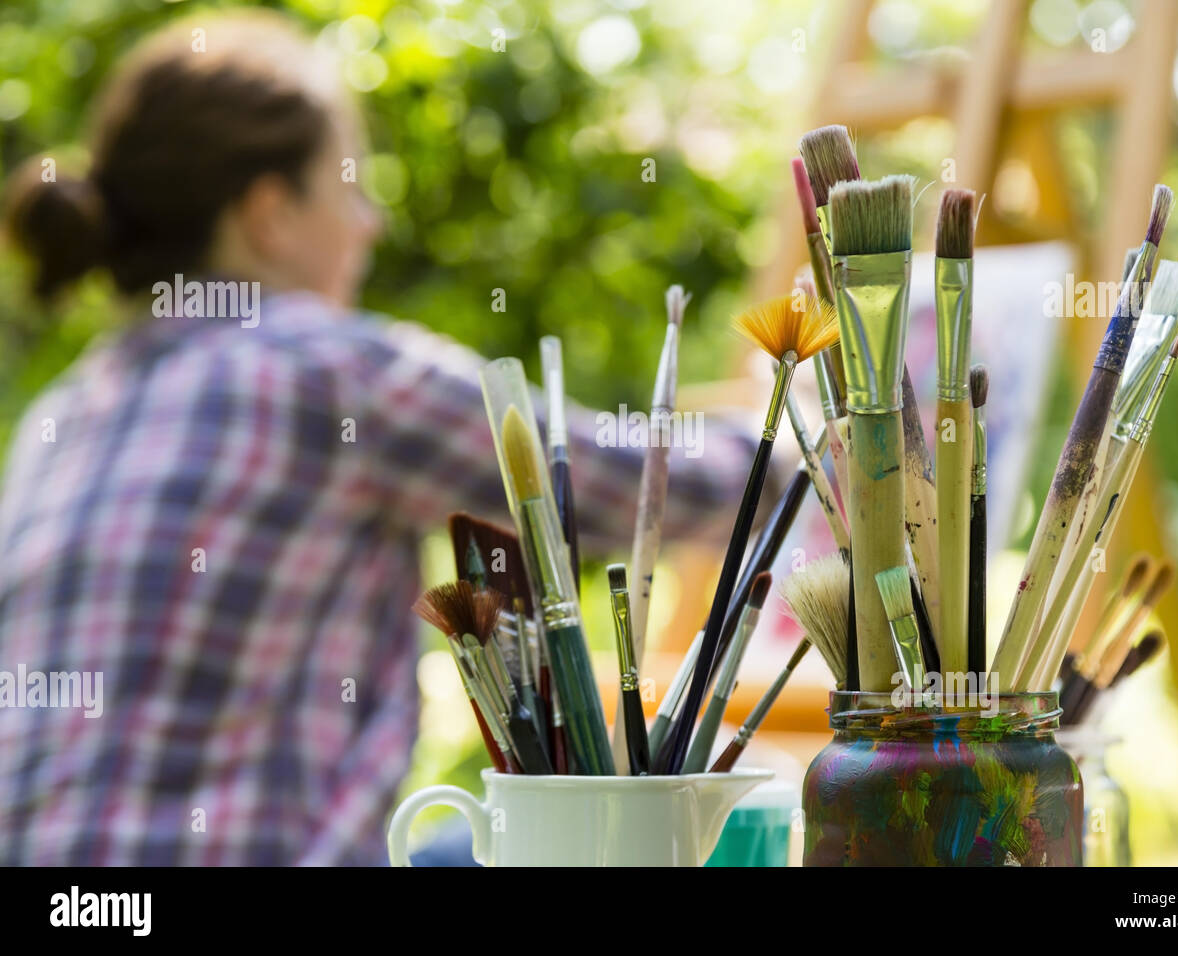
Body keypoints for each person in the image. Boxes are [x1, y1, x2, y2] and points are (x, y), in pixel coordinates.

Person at [0, 12, 766, 865]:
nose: (373, 225)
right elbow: (642, 488)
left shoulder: (62, 414)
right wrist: (806, 418)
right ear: (270, 213)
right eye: (351, 187)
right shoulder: (326, 370)